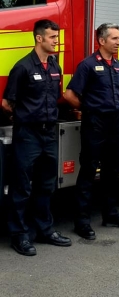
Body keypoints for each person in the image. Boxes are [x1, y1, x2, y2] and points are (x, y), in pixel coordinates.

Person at [2, 19, 72, 256]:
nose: (56, 41)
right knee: (21, 187)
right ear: (39, 38)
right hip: (28, 134)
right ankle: (19, 235)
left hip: (49, 133)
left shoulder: (55, 66)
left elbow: (55, 98)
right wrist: (26, 117)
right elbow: (6, 103)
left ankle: (45, 229)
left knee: (46, 185)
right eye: (53, 37)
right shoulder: (22, 67)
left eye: (57, 37)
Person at [64, 22, 119, 240]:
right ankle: (82, 222)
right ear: (102, 41)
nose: (118, 42)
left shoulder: (118, 64)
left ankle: (110, 214)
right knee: (88, 172)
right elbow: (69, 95)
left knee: (112, 171)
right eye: (114, 38)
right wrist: (89, 109)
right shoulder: (87, 65)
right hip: (95, 123)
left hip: (115, 122)